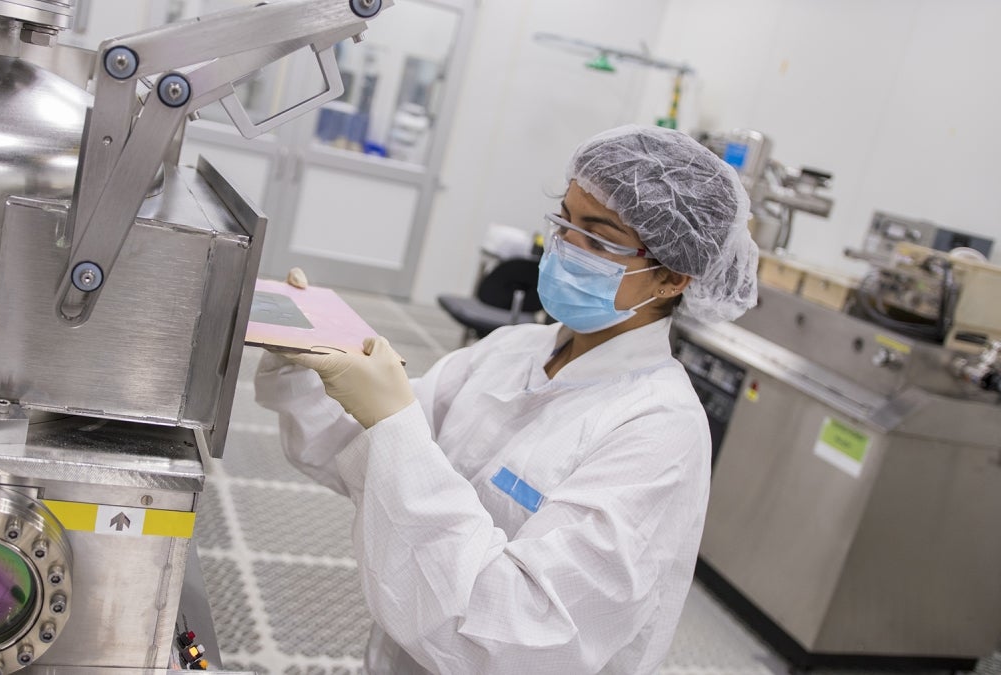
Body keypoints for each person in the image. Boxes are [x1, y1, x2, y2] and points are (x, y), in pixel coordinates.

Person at [254, 124, 758, 674]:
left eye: (599, 238)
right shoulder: (515, 349)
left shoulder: (659, 430)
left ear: (671, 278)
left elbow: (522, 635)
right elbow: (372, 461)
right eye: (564, 222)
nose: (566, 248)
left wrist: (393, 423)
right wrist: (311, 352)